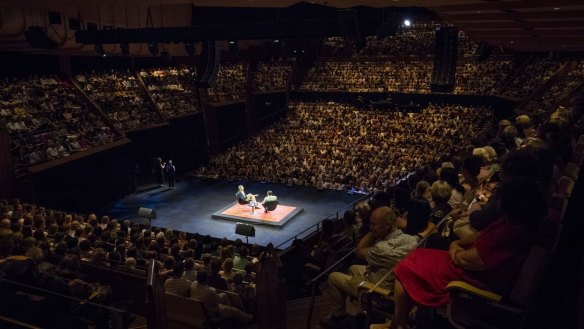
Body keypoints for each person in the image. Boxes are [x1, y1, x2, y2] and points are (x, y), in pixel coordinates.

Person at [392, 177, 547, 329]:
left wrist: (455, 248)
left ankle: (399, 324)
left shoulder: (512, 234)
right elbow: (480, 235)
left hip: (473, 280)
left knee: (405, 266)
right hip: (467, 266)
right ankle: (401, 318)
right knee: (415, 256)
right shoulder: (511, 222)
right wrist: (456, 244)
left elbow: (467, 261)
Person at [319, 206, 417, 328]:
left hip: (380, 294)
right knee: (353, 268)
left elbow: (359, 250)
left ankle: (339, 316)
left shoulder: (381, 248)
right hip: (396, 283)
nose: (370, 227)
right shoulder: (412, 239)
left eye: (373, 224)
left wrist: (372, 233)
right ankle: (351, 302)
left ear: (387, 225)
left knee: (333, 277)